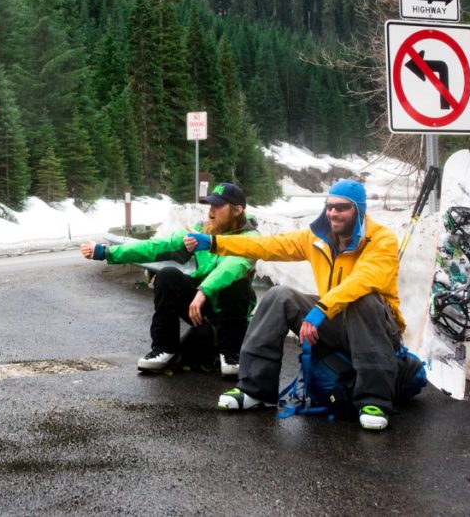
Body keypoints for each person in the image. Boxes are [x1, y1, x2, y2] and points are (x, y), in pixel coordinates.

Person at [185, 179, 404, 431]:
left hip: (378, 328)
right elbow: (266, 246)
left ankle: (373, 400)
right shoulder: (317, 237)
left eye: (342, 207)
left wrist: (319, 311)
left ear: (359, 209)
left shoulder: (381, 241)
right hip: (336, 323)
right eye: (329, 206)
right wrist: (214, 243)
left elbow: (361, 280)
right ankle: (254, 389)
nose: (333, 213)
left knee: (360, 299)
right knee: (279, 296)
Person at [80, 183, 259, 375]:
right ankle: (165, 349)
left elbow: (230, 267)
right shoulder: (202, 230)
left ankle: (231, 353)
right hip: (202, 307)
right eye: (210, 205)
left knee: (236, 282)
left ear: (237, 210)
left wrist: (203, 290)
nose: (211, 211)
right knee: (167, 276)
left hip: (229, 310)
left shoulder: (250, 236)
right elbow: (156, 246)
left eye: (218, 206)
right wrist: (107, 252)